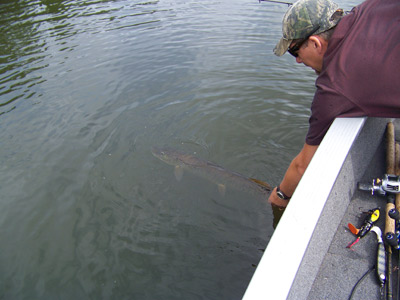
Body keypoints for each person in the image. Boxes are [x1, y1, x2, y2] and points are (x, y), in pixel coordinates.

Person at [268, 0, 400, 209]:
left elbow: (303, 166)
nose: (298, 61)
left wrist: (280, 195)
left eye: (295, 51)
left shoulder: (334, 86)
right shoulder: (371, 6)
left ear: (315, 43)